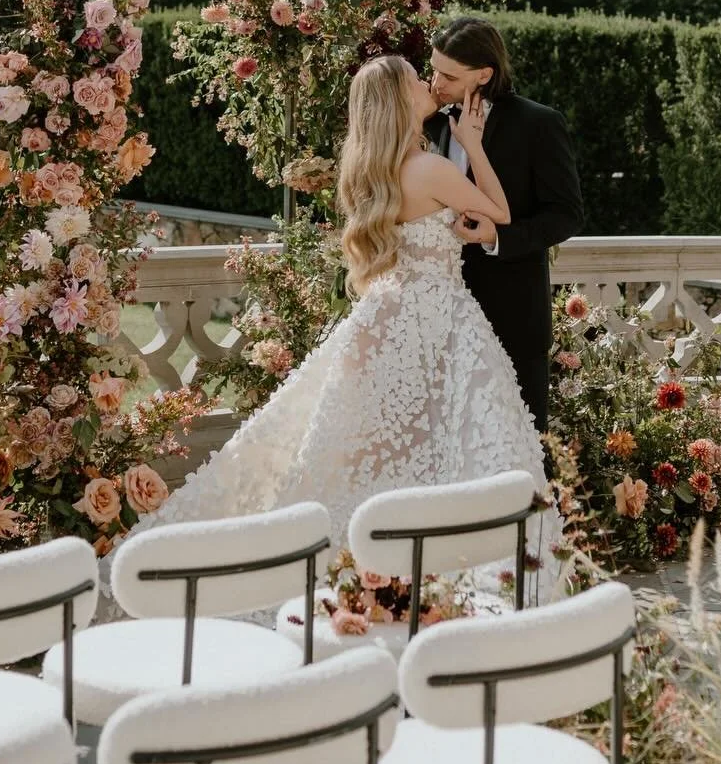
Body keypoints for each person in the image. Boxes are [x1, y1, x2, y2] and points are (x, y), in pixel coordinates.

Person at [138, 54, 550, 549]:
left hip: (386, 316)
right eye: (416, 79)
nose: (427, 82)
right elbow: (500, 211)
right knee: (442, 437)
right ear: (400, 99)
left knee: (370, 447)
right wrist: (474, 145)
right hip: (439, 319)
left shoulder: (369, 172)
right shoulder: (434, 169)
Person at [425, 19, 584, 432]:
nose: (435, 82)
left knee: (518, 444)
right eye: (434, 68)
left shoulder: (539, 124)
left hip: (513, 317)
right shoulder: (430, 121)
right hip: (438, 317)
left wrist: (499, 237)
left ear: (484, 74)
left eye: (448, 75)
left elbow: (566, 215)